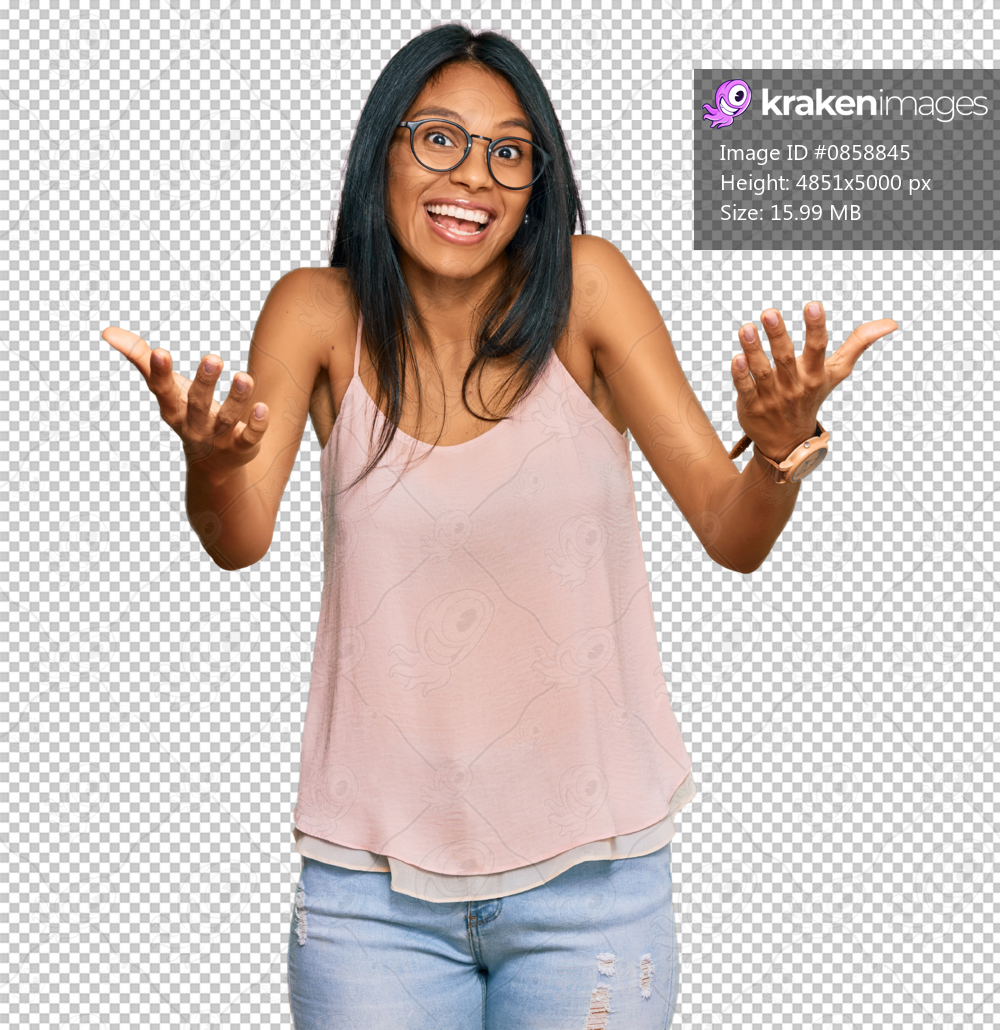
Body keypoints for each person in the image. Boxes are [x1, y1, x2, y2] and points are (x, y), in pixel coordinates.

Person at [102, 23, 897, 1030]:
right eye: (437, 138)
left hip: (593, 888)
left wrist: (780, 450)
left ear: (534, 183)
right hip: (368, 895)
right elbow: (239, 536)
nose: (470, 175)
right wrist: (209, 462)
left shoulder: (588, 291)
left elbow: (728, 529)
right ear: (382, 149)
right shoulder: (314, 311)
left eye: (507, 151)